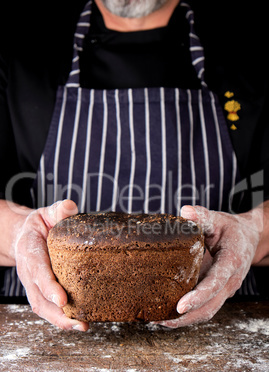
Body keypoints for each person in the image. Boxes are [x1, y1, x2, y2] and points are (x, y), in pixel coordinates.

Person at [0, 0, 268, 331]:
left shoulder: (255, 49)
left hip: (224, 329)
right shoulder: (18, 49)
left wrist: (254, 231)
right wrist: (16, 232)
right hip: (41, 333)